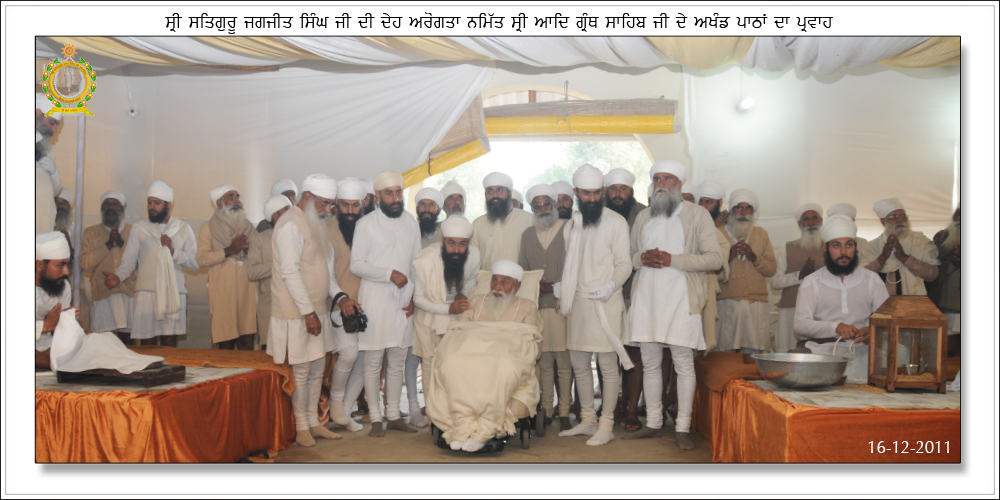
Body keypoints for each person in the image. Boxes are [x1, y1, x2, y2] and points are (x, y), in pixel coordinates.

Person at [623, 159, 723, 450]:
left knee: (683, 364)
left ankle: (682, 427)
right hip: (647, 299)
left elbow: (715, 259)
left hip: (682, 299)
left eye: (668, 179)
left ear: (679, 184)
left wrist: (673, 260)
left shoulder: (697, 214)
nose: (662, 184)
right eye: (657, 179)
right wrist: (641, 259)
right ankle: (654, 424)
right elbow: (629, 255)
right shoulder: (644, 216)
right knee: (651, 363)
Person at [269, 173, 360, 447]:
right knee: (301, 371)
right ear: (307, 197)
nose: (328, 210)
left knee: (318, 369)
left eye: (331, 204)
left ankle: (313, 423)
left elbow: (325, 272)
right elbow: (289, 272)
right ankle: (301, 427)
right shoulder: (290, 225)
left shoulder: (314, 224)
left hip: (317, 310)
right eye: (324, 203)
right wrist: (308, 313)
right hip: (297, 313)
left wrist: (338, 297)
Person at [427, 260, 541, 452]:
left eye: (504, 282)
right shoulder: (477, 301)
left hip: (503, 354)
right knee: (451, 362)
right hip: (472, 352)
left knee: (504, 366)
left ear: (517, 285)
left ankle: (485, 430)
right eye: (494, 281)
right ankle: (463, 427)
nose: (497, 287)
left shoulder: (527, 306)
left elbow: (528, 338)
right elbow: (460, 328)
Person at [556, 164, 633, 447]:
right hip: (578, 303)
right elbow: (571, 264)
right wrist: (564, 285)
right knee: (578, 362)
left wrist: (611, 286)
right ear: (576, 192)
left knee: (608, 366)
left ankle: (607, 424)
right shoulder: (571, 224)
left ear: (603, 192)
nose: (591, 199)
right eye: (585, 193)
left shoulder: (616, 222)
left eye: (596, 193)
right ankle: (588, 420)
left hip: (606, 302)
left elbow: (624, 264)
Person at [349, 170, 422, 437]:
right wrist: (389, 273)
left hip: (401, 302)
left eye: (398, 192)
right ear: (378, 196)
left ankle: (393, 415)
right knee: (373, 359)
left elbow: (415, 265)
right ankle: (376, 418)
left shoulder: (411, 222)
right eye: (389, 193)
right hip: (375, 300)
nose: (395, 198)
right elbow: (356, 265)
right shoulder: (366, 224)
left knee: (398, 358)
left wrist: (413, 297)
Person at [104, 181, 198, 347]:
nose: (152, 207)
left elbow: (194, 263)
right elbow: (128, 262)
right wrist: (118, 277)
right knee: (148, 345)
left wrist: (173, 251)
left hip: (173, 295)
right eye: (149, 202)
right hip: (146, 295)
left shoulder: (183, 228)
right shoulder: (139, 228)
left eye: (157, 203)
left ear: (168, 204)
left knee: (169, 343)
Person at [793, 215, 888, 366]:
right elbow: (800, 324)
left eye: (849, 245)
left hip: (862, 347)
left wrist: (873, 330)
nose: (843, 252)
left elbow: (887, 319)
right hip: (822, 347)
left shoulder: (872, 280)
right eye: (836, 246)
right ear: (825, 248)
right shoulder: (811, 282)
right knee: (796, 359)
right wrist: (835, 327)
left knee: (899, 354)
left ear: (855, 247)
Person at [412, 215, 480, 410]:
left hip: (456, 318)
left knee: (454, 364)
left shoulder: (473, 255)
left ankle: (451, 409)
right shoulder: (425, 260)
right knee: (429, 364)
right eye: (451, 243)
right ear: (442, 240)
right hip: (428, 319)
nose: (456, 250)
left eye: (462, 244)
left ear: (468, 243)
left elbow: (472, 278)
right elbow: (418, 299)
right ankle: (432, 411)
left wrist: (462, 292)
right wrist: (447, 308)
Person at [518, 184, 572, 430]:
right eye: (537, 206)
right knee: (545, 361)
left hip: (563, 306)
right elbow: (523, 268)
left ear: (555, 205)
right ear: (532, 209)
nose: (542, 209)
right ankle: (548, 410)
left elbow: (575, 265)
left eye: (546, 204)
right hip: (538, 307)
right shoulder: (527, 235)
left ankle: (565, 411)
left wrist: (557, 285)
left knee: (564, 361)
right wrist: (535, 283)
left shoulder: (569, 228)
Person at [602, 167, 647, 432]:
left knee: (633, 353)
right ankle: (611, 406)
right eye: (613, 189)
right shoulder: (596, 213)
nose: (618, 194)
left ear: (631, 191)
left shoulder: (644, 214)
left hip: (634, 294)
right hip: (604, 294)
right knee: (605, 352)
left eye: (623, 189)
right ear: (606, 191)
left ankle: (631, 409)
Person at [325, 178, 369, 432]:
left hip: (366, 304)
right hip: (338, 305)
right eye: (345, 205)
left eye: (355, 205)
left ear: (362, 204)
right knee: (350, 354)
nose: (350, 211)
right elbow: (327, 274)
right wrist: (342, 298)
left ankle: (345, 410)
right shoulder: (327, 230)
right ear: (336, 204)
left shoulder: (366, 227)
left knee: (366, 359)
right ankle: (335, 403)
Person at [196, 185, 258, 350]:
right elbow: (201, 259)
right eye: (231, 197)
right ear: (219, 202)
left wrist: (249, 251)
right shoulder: (208, 228)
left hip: (246, 292)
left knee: (247, 343)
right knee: (226, 344)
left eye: (237, 196)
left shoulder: (248, 226)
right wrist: (229, 250)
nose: (236, 200)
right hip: (223, 292)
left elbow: (260, 254)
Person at [715, 189, 777, 353]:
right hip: (726, 304)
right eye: (739, 207)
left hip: (755, 304)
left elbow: (771, 269)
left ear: (753, 211)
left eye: (748, 208)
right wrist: (729, 255)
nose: (743, 212)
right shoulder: (718, 233)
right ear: (731, 210)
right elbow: (710, 272)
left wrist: (753, 257)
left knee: (754, 355)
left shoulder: (761, 234)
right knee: (725, 354)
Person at [79, 191, 135, 344]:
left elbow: (141, 262)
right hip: (103, 295)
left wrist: (121, 244)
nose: (110, 207)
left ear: (122, 208)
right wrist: (108, 245)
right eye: (107, 204)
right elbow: (85, 264)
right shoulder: (91, 232)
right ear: (102, 207)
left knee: (128, 343)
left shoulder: (133, 231)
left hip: (128, 293)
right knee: (103, 342)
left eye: (115, 204)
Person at [770, 203, 825, 353]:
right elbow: (775, 282)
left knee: (818, 355)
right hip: (791, 311)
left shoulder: (830, 247)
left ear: (821, 221)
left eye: (815, 218)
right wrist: (799, 275)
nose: (811, 223)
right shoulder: (787, 247)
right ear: (800, 224)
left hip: (822, 311)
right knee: (787, 354)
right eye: (806, 219)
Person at [860, 198, 940, 297]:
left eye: (903, 216)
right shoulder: (873, 246)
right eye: (893, 216)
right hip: (880, 302)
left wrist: (904, 258)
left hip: (915, 302)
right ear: (883, 221)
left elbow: (932, 274)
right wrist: (882, 258)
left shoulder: (921, 242)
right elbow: (860, 277)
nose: (900, 220)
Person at [246, 194, 293, 351]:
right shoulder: (260, 239)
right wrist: (278, 265)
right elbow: (252, 272)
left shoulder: (300, 236)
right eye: (287, 210)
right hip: (270, 308)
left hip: (296, 308)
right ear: (275, 215)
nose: (292, 214)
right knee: (270, 357)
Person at [470, 172, 533, 271]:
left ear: (510, 193)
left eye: (500, 190)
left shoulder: (528, 220)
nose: (495, 195)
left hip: (521, 280)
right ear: (485, 195)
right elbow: (473, 261)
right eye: (490, 191)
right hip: (487, 280)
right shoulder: (477, 224)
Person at [36, 232, 78, 369]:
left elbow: (61, 332)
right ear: (40, 265)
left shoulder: (63, 286)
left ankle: (51, 361)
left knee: (89, 338)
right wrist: (45, 326)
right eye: (60, 265)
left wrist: (66, 320)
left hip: (45, 344)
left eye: (67, 265)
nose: (66, 272)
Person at [929, 206, 960, 356]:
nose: (960, 218)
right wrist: (955, 261)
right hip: (948, 305)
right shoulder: (941, 237)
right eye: (958, 213)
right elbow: (935, 267)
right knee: (948, 352)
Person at [36, 93, 62, 235]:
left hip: (43, 230)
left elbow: (55, 192)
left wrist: (54, 174)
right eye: (52, 123)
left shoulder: (46, 148)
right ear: (37, 114)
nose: (54, 130)